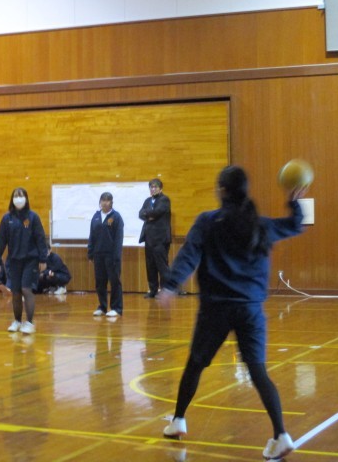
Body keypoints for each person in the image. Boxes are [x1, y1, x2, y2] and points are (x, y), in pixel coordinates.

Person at [158, 166, 306, 461]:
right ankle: (281, 435)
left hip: (216, 310)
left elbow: (189, 255)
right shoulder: (259, 225)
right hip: (251, 310)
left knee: (195, 364)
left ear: (222, 191)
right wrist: (294, 201)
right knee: (258, 371)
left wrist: (172, 285)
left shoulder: (207, 222)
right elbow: (294, 225)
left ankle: (178, 421)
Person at [0, 188, 48, 334]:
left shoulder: (33, 217)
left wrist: (43, 259)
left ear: (26, 198)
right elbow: (0, 240)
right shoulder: (7, 218)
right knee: (16, 291)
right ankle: (17, 321)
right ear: (12, 199)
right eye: (16, 196)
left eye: (21, 195)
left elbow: (40, 238)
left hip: (31, 260)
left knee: (26, 288)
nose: (19, 198)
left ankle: (29, 322)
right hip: (14, 261)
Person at [88, 192, 124, 317]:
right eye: (103, 200)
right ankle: (102, 307)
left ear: (111, 202)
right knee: (100, 282)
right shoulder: (96, 216)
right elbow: (92, 236)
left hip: (112, 256)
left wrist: (116, 256)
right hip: (98, 255)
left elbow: (118, 239)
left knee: (114, 282)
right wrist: (90, 253)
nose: (105, 202)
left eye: (107, 200)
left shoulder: (116, 217)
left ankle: (116, 308)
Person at [139, 178, 172, 298]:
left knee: (162, 266)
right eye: (151, 187)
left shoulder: (164, 199)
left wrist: (148, 214)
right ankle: (153, 290)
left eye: (155, 187)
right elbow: (140, 214)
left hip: (160, 239)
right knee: (150, 266)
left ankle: (164, 291)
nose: (153, 189)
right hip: (149, 239)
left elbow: (157, 212)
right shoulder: (147, 201)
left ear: (160, 188)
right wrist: (150, 215)